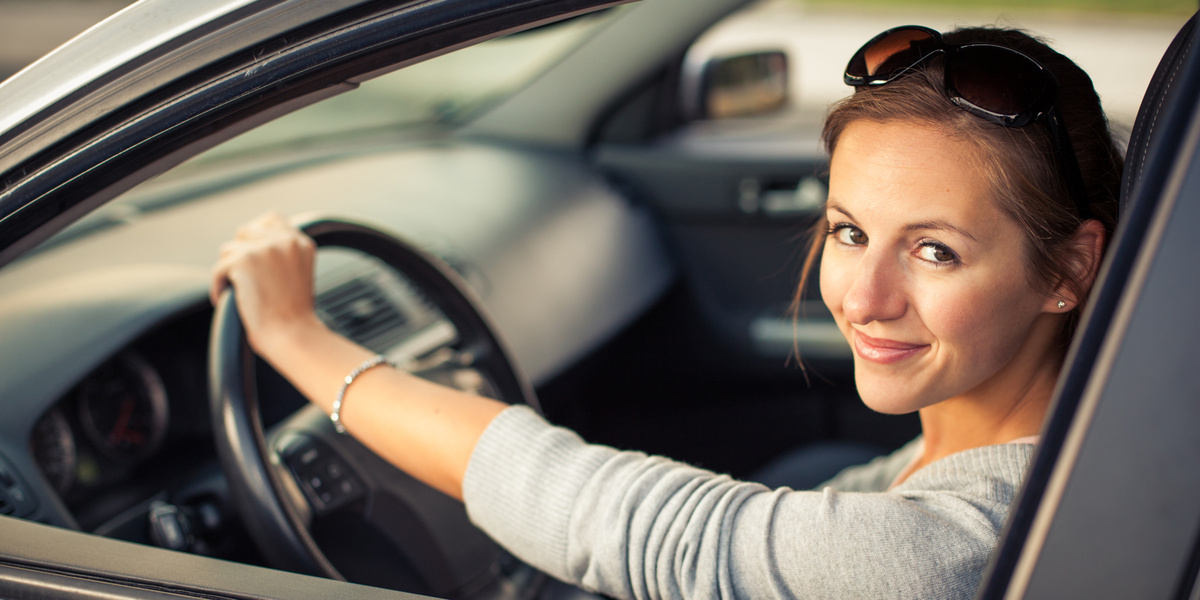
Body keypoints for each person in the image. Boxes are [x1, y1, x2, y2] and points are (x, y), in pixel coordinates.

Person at [211, 25, 1121, 600]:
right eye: (849, 231)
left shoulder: (948, 551)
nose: (862, 298)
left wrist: (296, 337)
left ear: (1069, 268)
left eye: (934, 251)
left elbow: (610, 515)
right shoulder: (1046, 450)